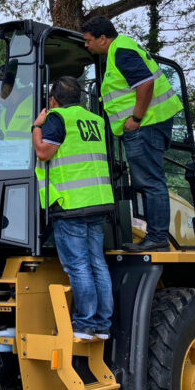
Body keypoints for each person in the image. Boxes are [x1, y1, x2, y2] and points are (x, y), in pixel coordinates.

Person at [82, 16, 183, 251]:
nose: (86, 45)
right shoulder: (120, 49)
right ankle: (155, 236)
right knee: (147, 180)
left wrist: (136, 119)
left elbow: (145, 84)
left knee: (150, 181)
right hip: (150, 124)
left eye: (88, 41)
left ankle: (157, 238)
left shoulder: (121, 51)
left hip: (147, 124)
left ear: (103, 39)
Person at [32, 76, 115, 341]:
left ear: (54, 100)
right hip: (98, 201)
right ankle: (102, 325)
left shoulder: (57, 118)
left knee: (78, 266)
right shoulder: (96, 121)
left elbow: (44, 152)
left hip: (72, 204)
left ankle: (84, 323)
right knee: (97, 264)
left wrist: (36, 127)